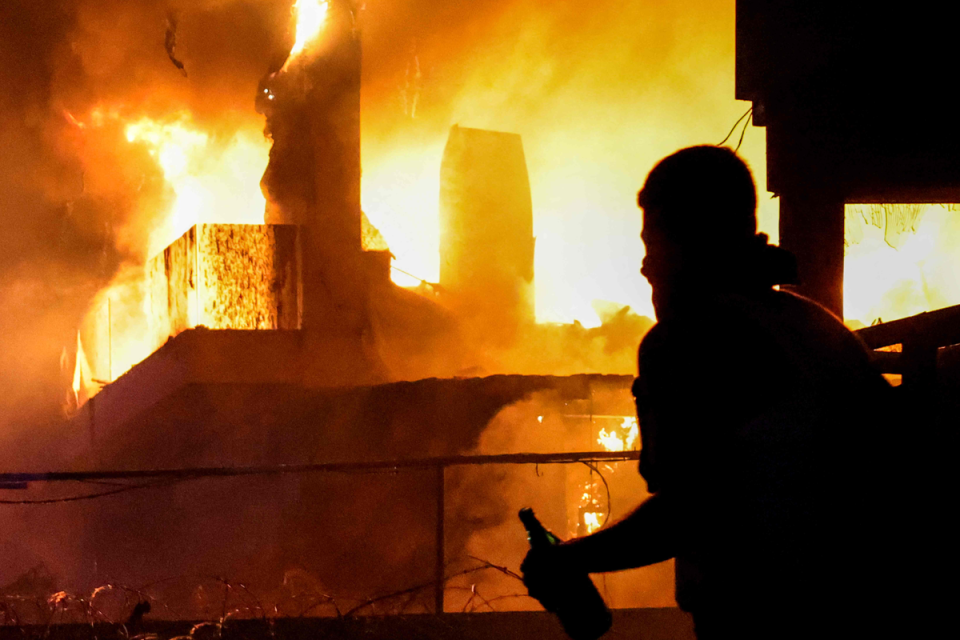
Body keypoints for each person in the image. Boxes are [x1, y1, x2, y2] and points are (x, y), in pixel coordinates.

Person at [521, 146, 894, 639]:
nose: (645, 267)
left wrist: (570, 560)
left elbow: (694, 508)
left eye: (653, 243)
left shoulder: (690, 340)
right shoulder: (814, 327)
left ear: (686, 244)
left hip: (773, 614)